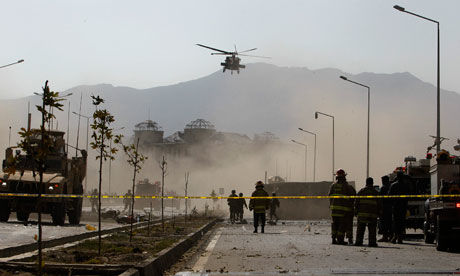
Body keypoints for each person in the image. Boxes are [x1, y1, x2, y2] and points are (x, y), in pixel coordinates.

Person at [328, 169, 353, 245]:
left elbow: (329, 196)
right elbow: (352, 198)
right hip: (343, 210)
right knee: (342, 225)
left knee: (334, 224)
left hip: (334, 210)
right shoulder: (347, 186)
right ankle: (340, 240)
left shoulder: (333, 186)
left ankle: (333, 239)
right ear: (344, 177)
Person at [355, 177, 380, 247]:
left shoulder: (361, 191)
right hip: (372, 215)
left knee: (360, 229)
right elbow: (379, 204)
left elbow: (356, 202)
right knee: (372, 229)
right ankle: (372, 243)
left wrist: (356, 211)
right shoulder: (376, 192)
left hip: (362, 215)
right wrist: (379, 212)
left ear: (366, 183)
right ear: (372, 183)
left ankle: (358, 242)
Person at [389, 171, 409, 244]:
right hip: (403, 206)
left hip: (396, 207)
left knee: (395, 222)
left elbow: (389, 196)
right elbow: (408, 196)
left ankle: (395, 237)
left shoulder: (393, 185)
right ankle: (400, 238)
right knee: (402, 222)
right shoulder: (406, 185)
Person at [378, 175, 393, 242]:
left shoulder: (383, 188)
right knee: (390, 223)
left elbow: (380, 198)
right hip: (391, 207)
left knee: (384, 223)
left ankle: (385, 237)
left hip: (384, 208)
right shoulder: (391, 186)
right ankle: (391, 236)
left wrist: (380, 208)